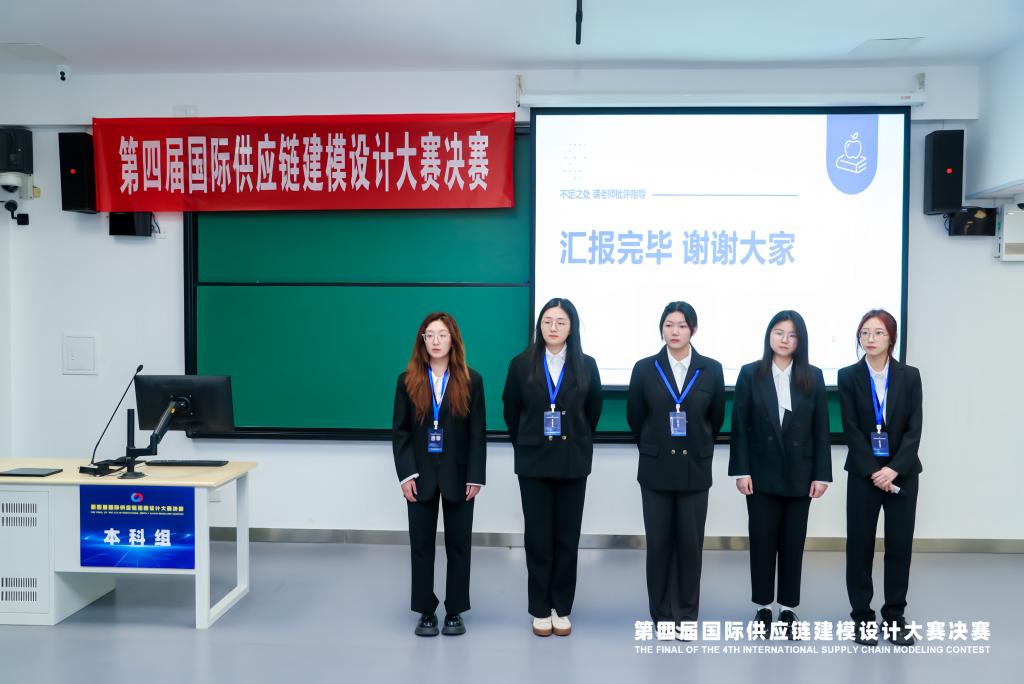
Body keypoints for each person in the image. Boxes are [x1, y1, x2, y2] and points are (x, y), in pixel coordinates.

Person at [502, 297, 602, 637]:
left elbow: (593, 411)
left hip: (573, 461)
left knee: (567, 538)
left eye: (561, 322)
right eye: (547, 321)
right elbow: (511, 410)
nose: (553, 327)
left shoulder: (586, 365)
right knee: (538, 537)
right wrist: (526, 443)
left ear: (571, 327)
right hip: (533, 462)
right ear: (539, 325)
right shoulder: (521, 364)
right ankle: (540, 608)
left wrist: (577, 441)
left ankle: (562, 607)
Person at [729, 310, 831, 639]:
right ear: (769, 336)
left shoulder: (813, 376)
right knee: (762, 542)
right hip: (760, 474)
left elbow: (821, 429)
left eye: (792, 334)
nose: (785, 339)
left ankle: (787, 608)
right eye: (779, 332)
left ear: (801, 340)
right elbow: (739, 426)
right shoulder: (750, 373)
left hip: (801, 475)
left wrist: (822, 475)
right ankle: (763, 607)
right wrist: (741, 470)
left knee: (792, 543)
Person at [625, 301, 725, 635]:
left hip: (695, 468)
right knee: (658, 545)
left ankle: (686, 613)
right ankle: (662, 615)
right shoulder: (645, 368)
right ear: (661, 329)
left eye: (682, 325)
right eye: (669, 325)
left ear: (693, 329)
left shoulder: (711, 369)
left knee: (690, 546)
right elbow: (635, 417)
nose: (675, 331)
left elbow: (715, 418)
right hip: (656, 468)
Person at [392, 312, 486, 637]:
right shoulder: (407, 380)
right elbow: (401, 432)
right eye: (429, 335)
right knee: (421, 545)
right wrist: (406, 475)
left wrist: (475, 475)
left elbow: (477, 433)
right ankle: (426, 610)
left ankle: (455, 610)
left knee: (459, 545)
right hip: (420, 477)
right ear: (422, 340)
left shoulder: (471, 380)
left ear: (452, 340)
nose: (435, 341)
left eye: (442, 335)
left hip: (459, 476)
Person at [838, 308, 922, 647]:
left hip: (903, 473)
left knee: (899, 546)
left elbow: (915, 429)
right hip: (864, 474)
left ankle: (895, 616)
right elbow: (851, 429)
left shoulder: (910, 376)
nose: (870, 339)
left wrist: (894, 468)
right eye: (864, 333)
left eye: (878, 333)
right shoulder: (848, 376)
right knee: (859, 546)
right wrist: (874, 470)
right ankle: (862, 616)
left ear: (891, 338)